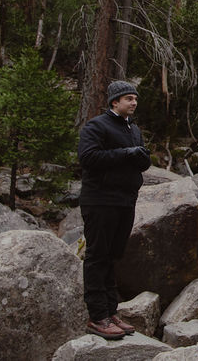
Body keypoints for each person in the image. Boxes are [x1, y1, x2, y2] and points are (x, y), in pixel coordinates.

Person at [77, 80, 152, 340]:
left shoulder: (134, 129)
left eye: (135, 99)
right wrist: (126, 153)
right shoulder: (97, 126)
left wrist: (141, 157)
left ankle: (110, 311)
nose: (133, 102)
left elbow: (137, 162)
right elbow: (87, 158)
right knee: (97, 256)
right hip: (100, 200)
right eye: (128, 98)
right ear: (114, 102)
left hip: (125, 200)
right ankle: (97, 316)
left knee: (112, 256)